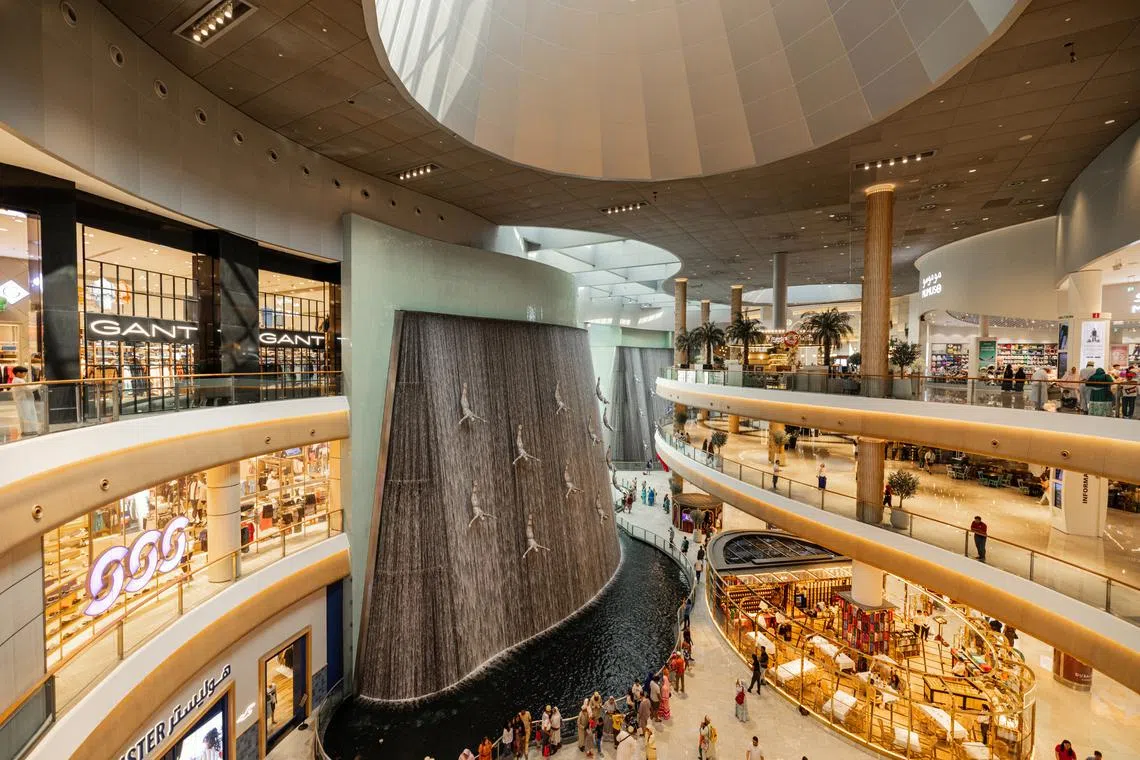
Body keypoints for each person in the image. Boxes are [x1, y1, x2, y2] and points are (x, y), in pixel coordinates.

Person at [10, 366, 39, 436]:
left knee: (24, 415)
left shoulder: (16, 380)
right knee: (28, 415)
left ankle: (26, 430)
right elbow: (29, 388)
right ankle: (29, 431)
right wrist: (40, 384)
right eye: (24, 373)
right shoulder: (19, 380)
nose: (25, 374)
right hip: (24, 401)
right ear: (18, 373)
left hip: (22, 400)